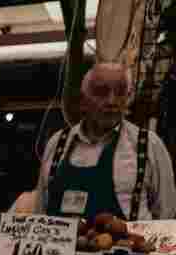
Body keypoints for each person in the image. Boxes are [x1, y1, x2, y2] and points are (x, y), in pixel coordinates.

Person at [34, 62, 176, 221]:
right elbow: (40, 212)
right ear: (83, 99)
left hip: (126, 245)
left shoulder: (148, 145)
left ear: (128, 98)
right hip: (60, 245)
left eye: (121, 92)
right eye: (101, 92)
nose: (111, 101)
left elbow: (166, 216)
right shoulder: (57, 143)